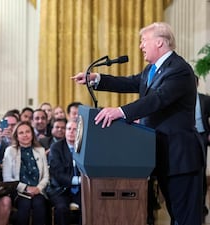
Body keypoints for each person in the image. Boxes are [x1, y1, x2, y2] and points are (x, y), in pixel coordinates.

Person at [72, 22, 204, 225]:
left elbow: (157, 99)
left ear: (159, 42)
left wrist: (120, 112)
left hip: (180, 157)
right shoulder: (152, 69)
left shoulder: (179, 70)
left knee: (186, 218)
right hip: (163, 155)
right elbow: (130, 82)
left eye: (144, 41)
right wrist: (97, 78)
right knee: (175, 215)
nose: (141, 46)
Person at [2, 121, 49, 225]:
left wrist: (38, 188)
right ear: (16, 136)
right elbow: (7, 179)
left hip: (38, 191)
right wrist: (25, 188)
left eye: (27, 132)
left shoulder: (40, 150)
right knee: (25, 204)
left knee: (39, 204)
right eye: (21, 133)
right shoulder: (10, 151)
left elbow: (46, 176)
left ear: (32, 134)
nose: (25, 135)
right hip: (18, 192)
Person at [46, 120, 81, 225]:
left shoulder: (84, 148)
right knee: (61, 209)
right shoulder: (56, 147)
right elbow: (57, 173)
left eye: (75, 129)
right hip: (60, 189)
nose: (71, 132)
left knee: (88, 207)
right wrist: (78, 180)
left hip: (80, 190)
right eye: (69, 129)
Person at [194, 75, 210, 218]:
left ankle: (202, 205)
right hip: (186, 138)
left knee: (201, 170)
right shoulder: (178, 99)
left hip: (202, 136)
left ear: (197, 84)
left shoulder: (205, 99)